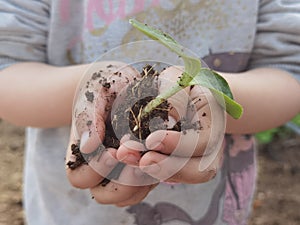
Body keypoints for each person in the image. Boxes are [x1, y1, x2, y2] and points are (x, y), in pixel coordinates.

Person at [0, 0, 299, 224]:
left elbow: (288, 71)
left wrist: (208, 102)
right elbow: (8, 69)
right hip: (70, 212)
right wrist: (95, 88)